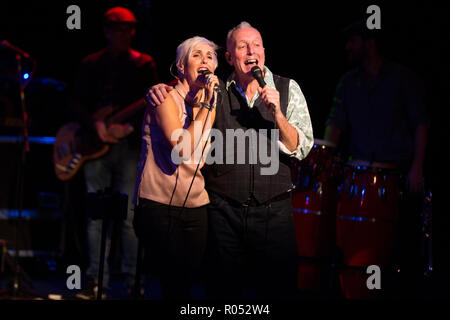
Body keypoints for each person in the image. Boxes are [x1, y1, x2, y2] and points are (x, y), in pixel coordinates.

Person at [147, 21, 314, 300]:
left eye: (256, 45)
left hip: (274, 213)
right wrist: (157, 89)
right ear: (229, 57)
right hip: (224, 213)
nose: (251, 51)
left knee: (279, 291)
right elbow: (179, 97)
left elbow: (302, 147)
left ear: (264, 52)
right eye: (242, 46)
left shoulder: (288, 89)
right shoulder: (214, 90)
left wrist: (278, 116)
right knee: (222, 292)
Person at [323, 21, 429, 297]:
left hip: (396, 177)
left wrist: (417, 166)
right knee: (352, 250)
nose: (347, 47)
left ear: (369, 43)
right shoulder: (347, 82)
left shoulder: (402, 78)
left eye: (352, 41)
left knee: (395, 251)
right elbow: (333, 130)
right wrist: (322, 153)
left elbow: (420, 123)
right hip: (356, 177)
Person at [70, 7, 158, 299]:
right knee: (96, 217)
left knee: (130, 217)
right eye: (116, 29)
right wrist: (95, 124)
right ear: (106, 30)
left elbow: (152, 105)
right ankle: (96, 282)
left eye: (128, 29)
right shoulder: (89, 64)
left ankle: (133, 283)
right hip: (94, 148)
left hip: (129, 148)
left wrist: (128, 128)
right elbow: (76, 103)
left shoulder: (144, 64)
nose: (122, 34)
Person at [133, 36, 220, 300]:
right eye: (196, 55)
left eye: (209, 56)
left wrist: (207, 104)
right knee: (172, 283)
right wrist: (207, 106)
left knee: (188, 284)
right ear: (181, 67)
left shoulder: (209, 100)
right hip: (158, 205)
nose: (205, 60)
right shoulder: (164, 98)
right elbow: (181, 150)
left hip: (196, 206)